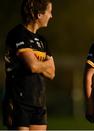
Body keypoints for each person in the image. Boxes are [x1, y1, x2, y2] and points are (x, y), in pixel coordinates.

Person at [2, 0, 55, 130]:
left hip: (39, 102)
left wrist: (38, 65)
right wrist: (43, 64)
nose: (51, 16)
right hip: (19, 102)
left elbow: (52, 73)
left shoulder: (43, 41)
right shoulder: (18, 34)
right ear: (39, 15)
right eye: (49, 12)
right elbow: (33, 66)